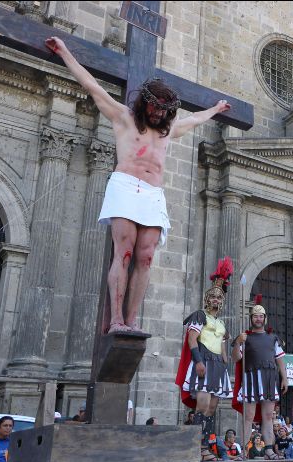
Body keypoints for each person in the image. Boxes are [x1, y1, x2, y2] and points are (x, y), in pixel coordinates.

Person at [43, 37, 230, 334]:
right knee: (125, 252)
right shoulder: (124, 118)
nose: (158, 115)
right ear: (145, 104)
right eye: (155, 109)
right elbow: (92, 86)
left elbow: (195, 119)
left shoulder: (168, 131)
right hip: (126, 187)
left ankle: (131, 319)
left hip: (153, 195)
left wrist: (216, 109)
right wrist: (64, 52)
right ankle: (116, 318)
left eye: (164, 111)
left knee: (146, 256)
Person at [175, 257, 234, 461]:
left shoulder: (222, 323)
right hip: (204, 361)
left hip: (218, 365)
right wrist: (198, 361)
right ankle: (196, 447)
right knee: (201, 405)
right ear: (207, 300)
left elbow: (223, 346)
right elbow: (192, 339)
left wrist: (227, 359)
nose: (216, 300)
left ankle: (206, 448)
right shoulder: (200, 315)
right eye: (213, 297)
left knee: (212, 408)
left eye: (219, 298)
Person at [231, 300, 288, 460]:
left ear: (265, 318)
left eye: (260, 316)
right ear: (251, 319)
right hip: (250, 378)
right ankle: (244, 451)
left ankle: (269, 450)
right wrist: (237, 343)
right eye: (255, 316)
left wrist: (285, 378)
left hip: (269, 378)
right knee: (248, 416)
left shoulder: (273, 338)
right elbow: (236, 358)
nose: (258, 319)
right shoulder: (244, 337)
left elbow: (280, 360)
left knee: (268, 416)